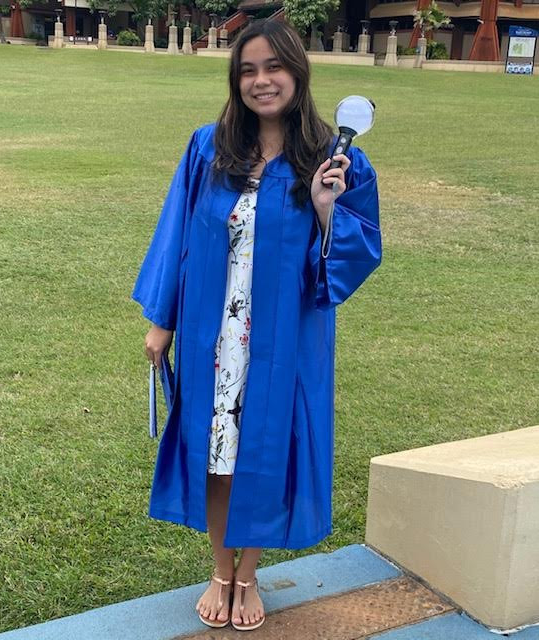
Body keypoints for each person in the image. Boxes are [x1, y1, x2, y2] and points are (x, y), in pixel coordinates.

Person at [132, 19, 382, 633]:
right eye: (247, 70)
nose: (261, 81)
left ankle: (250, 576)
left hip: (286, 340)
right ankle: (221, 572)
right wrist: (161, 320)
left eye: (273, 67)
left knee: (266, 452)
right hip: (210, 336)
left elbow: (359, 251)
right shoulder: (207, 147)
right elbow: (176, 236)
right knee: (217, 456)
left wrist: (327, 212)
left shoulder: (336, 156)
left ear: (298, 72)